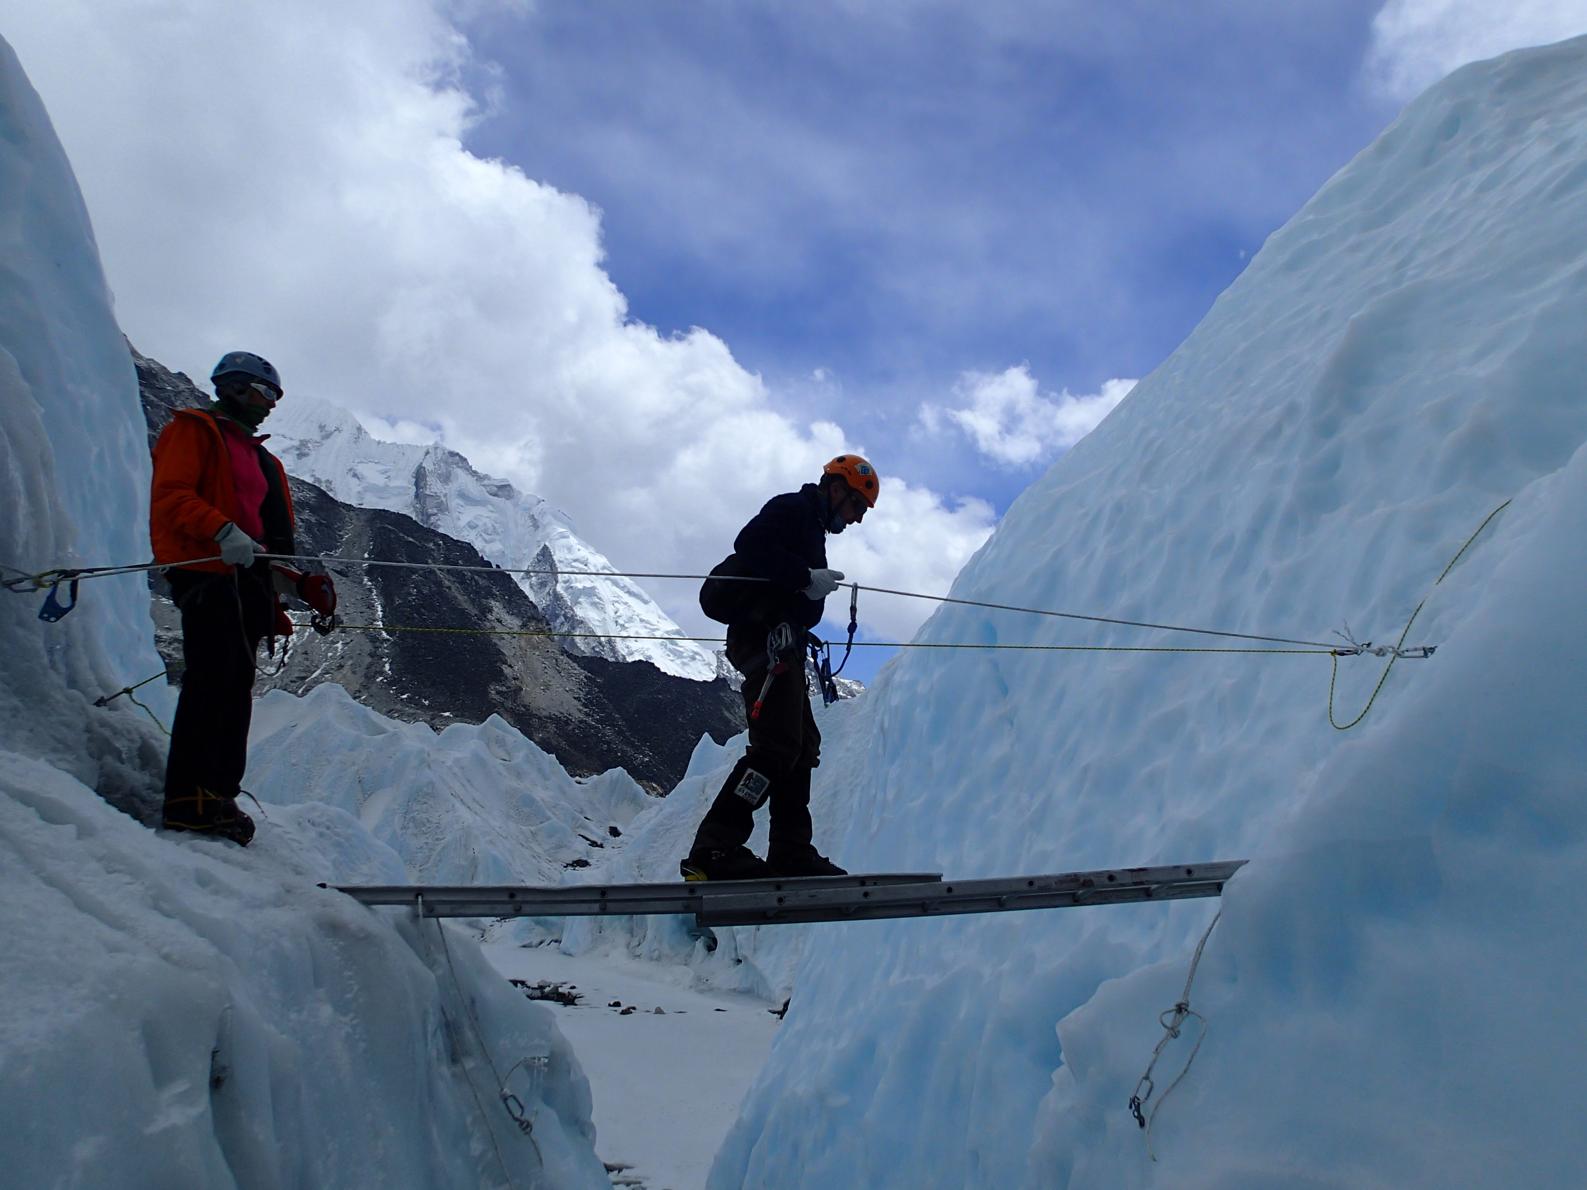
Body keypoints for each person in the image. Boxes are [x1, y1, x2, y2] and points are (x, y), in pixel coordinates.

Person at [149, 351, 336, 844]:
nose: (272, 404)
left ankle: (216, 795)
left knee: (233, 686)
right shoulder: (193, 430)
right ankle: (188, 799)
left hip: (245, 579)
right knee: (212, 680)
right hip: (207, 572)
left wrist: (295, 584)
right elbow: (171, 495)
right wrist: (221, 529)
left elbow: (264, 543)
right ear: (234, 386)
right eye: (266, 392)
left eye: (276, 396)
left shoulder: (260, 458)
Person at [681, 454, 879, 881]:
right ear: (837, 488)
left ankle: (791, 850)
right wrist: (805, 578)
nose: (857, 519)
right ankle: (714, 848)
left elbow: (792, 593)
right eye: (857, 505)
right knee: (777, 746)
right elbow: (750, 543)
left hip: (781, 644)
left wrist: (806, 587)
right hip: (764, 641)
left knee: (802, 745)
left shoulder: (810, 526)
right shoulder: (794, 508)